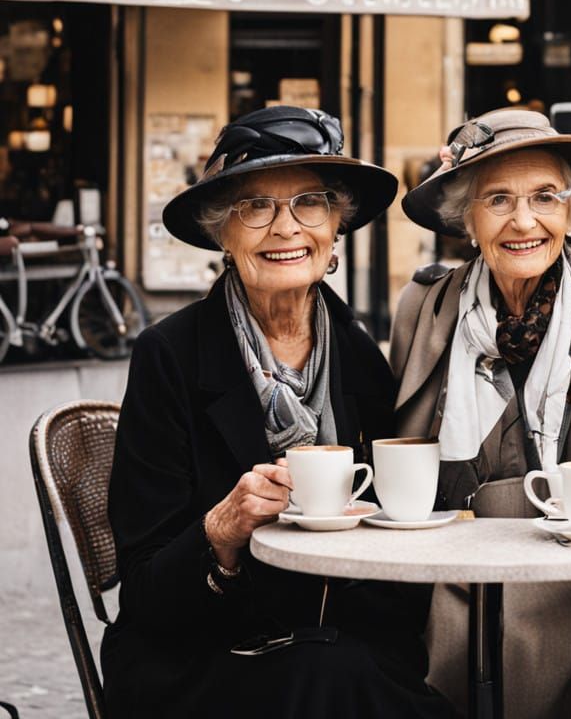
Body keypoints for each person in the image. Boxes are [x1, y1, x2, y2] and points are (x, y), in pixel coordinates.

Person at [101, 106, 452, 719]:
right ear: (222, 234)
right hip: (199, 660)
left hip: (339, 649)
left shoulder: (360, 356)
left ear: (335, 228)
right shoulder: (171, 356)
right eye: (255, 206)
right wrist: (222, 532)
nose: (286, 228)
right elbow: (146, 589)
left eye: (309, 203)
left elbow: (395, 569)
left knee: (354, 675)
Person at [393, 108, 571, 719]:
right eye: (498, 200)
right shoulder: (421, 311)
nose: (524, 221)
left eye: (546, 197)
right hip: (443, 584)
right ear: (467, 217)